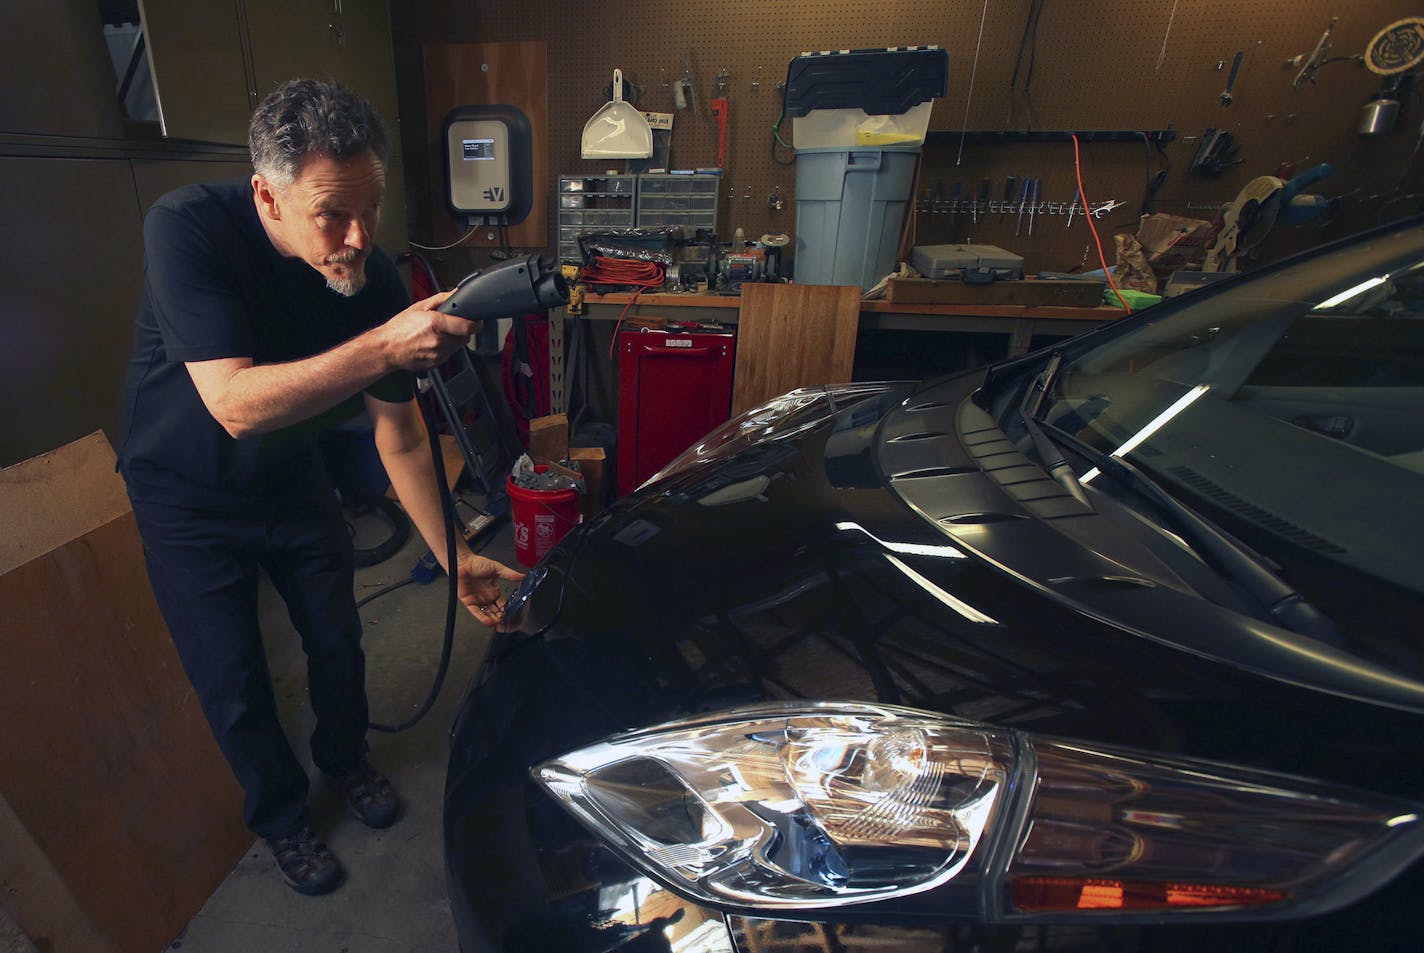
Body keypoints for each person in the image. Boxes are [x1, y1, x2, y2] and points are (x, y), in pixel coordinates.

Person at [116, 78, 524, 896]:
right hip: (187, 496)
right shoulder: (188, 227)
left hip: (294, 478)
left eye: (370, 208)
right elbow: (233, 404)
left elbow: (399, 432)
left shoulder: (367, 270)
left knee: (338, 640)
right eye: (332, 214)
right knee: (233, 680)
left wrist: (454, 556)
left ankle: (346, 759)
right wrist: (383, 345)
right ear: (267, 193)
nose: (358, 235)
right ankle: (281, 814)